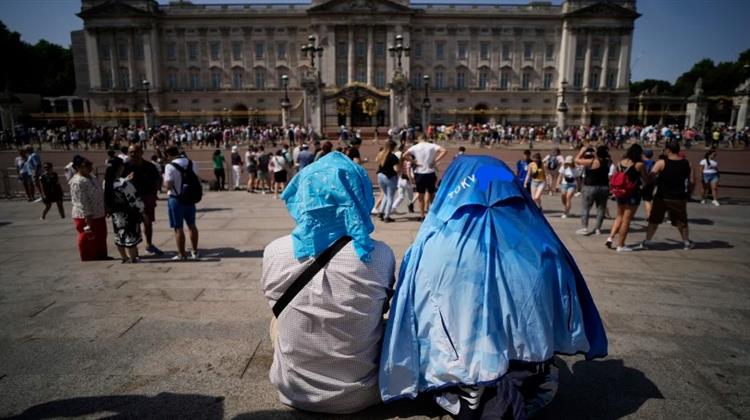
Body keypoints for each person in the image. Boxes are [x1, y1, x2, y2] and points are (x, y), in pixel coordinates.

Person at [379, 155, 607, 418]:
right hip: (529, 361)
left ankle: (468, 381)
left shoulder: (431, 244)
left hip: (455, 363)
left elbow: (412, 311)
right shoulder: (544, 243)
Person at [261, 151, 396, 414]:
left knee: (277, 320)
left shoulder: (274, 251)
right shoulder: (379, 254)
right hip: (363, 394)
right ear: (360, 195)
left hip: (294, 393)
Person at [640, 140, 695, 250]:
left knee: (654, 220)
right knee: (682, 221)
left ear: (668, 150)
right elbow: (692, 181)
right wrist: (688, 193)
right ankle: (686, 242)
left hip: (662, 196)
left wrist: (650, 182)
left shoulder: (661, 163)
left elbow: (651, 177)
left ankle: (648, 241)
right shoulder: (687, 163)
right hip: (679, 197)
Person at [122, 144, 163, 256]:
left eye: (136, 151)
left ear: (141, 152)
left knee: (148, 223)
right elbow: (117, 183)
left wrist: (154, 196)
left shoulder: (150, 166)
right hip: (131, 199)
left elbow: (156, 181)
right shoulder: (125, 167)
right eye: (131, 152)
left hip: (147, 197)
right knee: (132, 224)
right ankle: (133, 248)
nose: (133, 154)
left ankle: (149, 245)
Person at [606, 144, 647, 252]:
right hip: (632, 193)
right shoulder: (639, 165)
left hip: (620, 192)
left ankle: (610, 237)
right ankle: (621, 245)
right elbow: (645, 179)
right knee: (626, 220)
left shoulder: (620, 163)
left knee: (619, 216)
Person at [69, 155, 109, 261]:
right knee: (87, 236)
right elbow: (81, 200)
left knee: (101, 235)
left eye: (89, 164)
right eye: (86, 165)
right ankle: (88, 256)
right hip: (86, 215)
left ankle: (101, 254)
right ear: (78, 167)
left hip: (99, 212)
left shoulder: (91, 177)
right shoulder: (77, 181)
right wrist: (87, 215)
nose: (89, 167)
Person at [105, 158, 145, 263]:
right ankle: (132, 258)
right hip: (129, 213)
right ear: (120, 167)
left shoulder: (107, 182)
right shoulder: (124, 184)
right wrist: (142, 210)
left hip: (116, 213)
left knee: (119, 234)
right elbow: (134, 199)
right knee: (130, 235)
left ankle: (123, 257)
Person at [163, 146, 200, 260]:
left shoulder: (169, 166)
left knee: (178, 228)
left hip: (176, 199)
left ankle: (182, 254)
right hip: (189, 198)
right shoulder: (191, 162)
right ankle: (194, 251)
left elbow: (168, 185)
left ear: (168, 155)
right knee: (192, 226)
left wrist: (164, 183)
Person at [403, 137, 447, 221]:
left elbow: (404, 155)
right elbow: (444, 151)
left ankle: (422, 215)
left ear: (419, 139)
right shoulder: (431, 145)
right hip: (430, 172)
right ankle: (435, 213)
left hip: (419, 173)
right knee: (431, 194)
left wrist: (413, 161)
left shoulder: (415, 147)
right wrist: (435, 161)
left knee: (420, 195)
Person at [575, 145, 611, 236]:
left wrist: (582, 150)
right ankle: (598, 228)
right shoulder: (608, 162)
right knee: (601, 209)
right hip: (604, 187)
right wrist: (597, 151)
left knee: (586, 208)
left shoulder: (592, 162)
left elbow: (577, 160)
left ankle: (584, 228)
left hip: (590, 186)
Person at [376, 140, 400, 223]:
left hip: (380, 175)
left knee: (386, 195)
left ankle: (381, 212)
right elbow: (396, 169)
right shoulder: (393, 156)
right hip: (389, 177)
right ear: (393, 147)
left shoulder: (380, 154)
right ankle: (387, 216)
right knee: (390, 197)